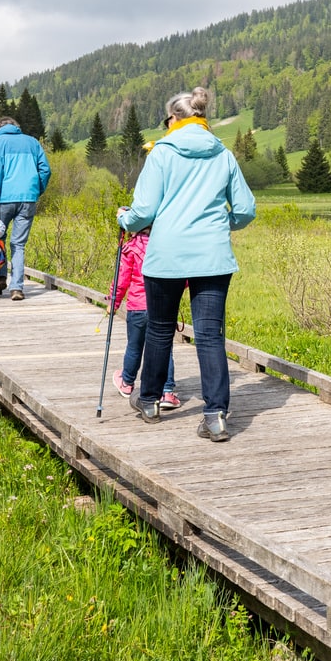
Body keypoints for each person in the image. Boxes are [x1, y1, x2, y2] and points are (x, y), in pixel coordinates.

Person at [118, 87, 255, 439]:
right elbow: (245, 210)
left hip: (167, 255)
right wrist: (222, 225)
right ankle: (216, 416)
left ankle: (148, 401)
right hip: (212, 256)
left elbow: (144, 211)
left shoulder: (162, 153)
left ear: (175, 119)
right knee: (210, 335)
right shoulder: (223, 154)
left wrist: (125, 221)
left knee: (160, 328)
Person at [109, 227, 183, 411]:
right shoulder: (166, 247)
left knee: (134, 346)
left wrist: (114, 301)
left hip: (137, 307)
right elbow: (181, 276)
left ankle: (127, 382)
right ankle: (166, 392)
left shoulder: (130, 248)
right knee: (166, 348)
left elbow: (121, 279)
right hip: (162, 305)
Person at [0, 116, 51, 301]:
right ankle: (17, 288)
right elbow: (45, 170)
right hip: (28, 199)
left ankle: (0, 277)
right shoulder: (32, 142)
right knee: (19, 244)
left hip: (4, 199)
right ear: (16, 127)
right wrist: (36, 190)